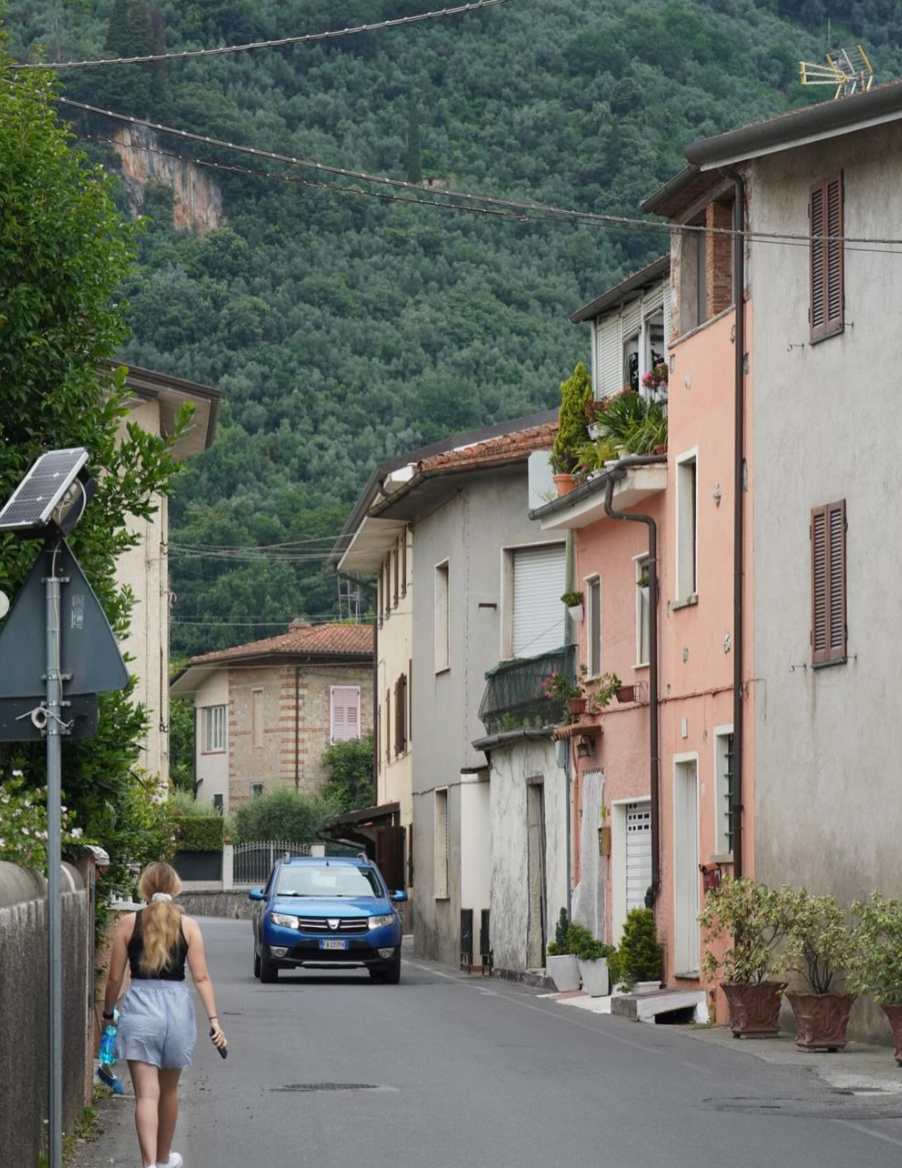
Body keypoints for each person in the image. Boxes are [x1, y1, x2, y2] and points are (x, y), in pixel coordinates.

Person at [101, 862, 227, 1168]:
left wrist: (107, 1014)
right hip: (176, 1010)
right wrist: (214, 1020)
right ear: (175, 888)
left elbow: (115, 978)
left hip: (141, 1009)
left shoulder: (128, 924)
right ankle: (163, 1159)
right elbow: (201, 978)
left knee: (146, 1095)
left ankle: (149, 1165)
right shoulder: (188, 926)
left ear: (144, 888)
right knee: (169, 1091)